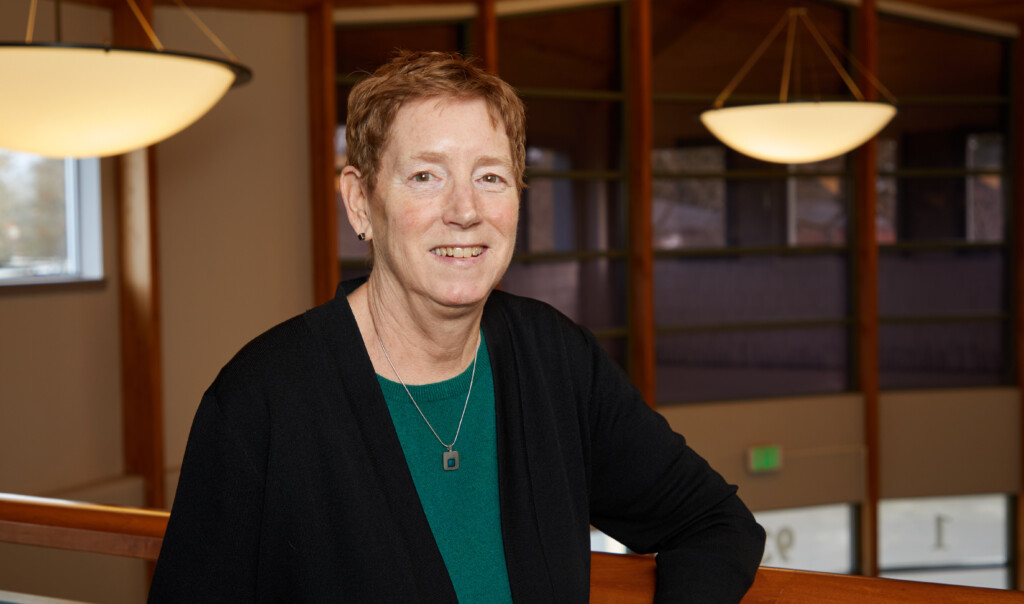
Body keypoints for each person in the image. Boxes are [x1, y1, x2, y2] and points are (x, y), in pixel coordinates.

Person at [149, 50, 765, 603]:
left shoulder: (554, 358)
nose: (465, 210)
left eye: (490, 176)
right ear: (361, 202)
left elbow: (714, 522)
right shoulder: (261, 400)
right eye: (426, 175)